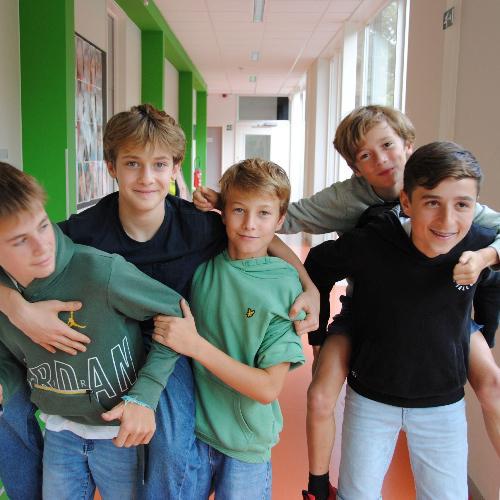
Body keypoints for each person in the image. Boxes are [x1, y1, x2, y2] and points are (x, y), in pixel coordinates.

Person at [0, 105, 319, 500]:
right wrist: (16, 307)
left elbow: (257, 235)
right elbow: (14, 248)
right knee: (10, 399)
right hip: (109, 345)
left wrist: (308, 284)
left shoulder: (198, 226)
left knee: (170, 443)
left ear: (175, 168)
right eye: (132, 164)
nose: (147, 178)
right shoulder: (86, 229)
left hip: (169, 347)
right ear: (112, 167)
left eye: (159, 164)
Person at [194, 105, 500, 499]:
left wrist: (486, 285)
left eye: (387, 145)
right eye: (366, 156)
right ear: (357, 169)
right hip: (366, 308)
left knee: (490, 382)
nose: (382, 160)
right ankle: (318, 486)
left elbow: (491, 271)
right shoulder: (353, 205)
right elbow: (283, 217)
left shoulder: (450, 190)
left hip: (442, 311)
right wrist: (228, 203)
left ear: (408, 144)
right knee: (321, 392)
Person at [304, 142, 500, 499]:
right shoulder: (371, 242)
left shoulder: (478, 246)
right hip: (371, 401)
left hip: (442, 406)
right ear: (406, 203)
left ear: (475, 206)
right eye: (432, 203)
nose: (447, 221)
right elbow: (318, 264)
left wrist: (486, 333)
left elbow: (492, 283)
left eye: (462, 205)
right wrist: (317, 333)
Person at [0, 162, 186, 499]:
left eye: (43, 226)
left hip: (120, 433)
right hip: (60, 432)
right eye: (19, 241)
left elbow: (175, 312)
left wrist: (145, 394)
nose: (42, 247)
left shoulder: (100, 272)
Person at [153, 158, 306, 498]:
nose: (250, 224)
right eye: (239, 210)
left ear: (280, 219)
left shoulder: (284, 288)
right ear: (223, 212)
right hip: (192, 435)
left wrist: (195, 346)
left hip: (244, 445)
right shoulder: (202, 264)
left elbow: (268, 388)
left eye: (264, 214)